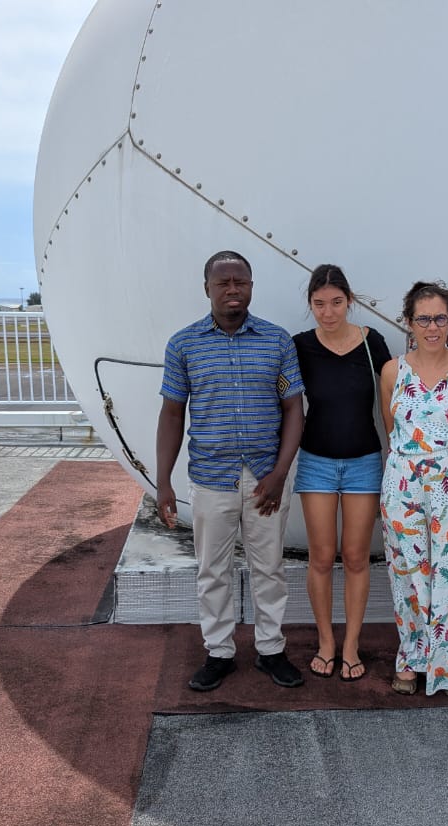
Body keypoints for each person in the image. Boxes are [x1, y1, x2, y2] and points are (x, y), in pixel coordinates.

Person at [155, 251, 306, 692]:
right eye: (223, 283)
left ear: (252, 286)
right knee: (212, 570)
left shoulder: (277, 342)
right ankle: (219, 652)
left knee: (269, 569)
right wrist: (163, 482)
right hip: (210, 477)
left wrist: (280, 473)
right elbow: (172, 413)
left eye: (241, 281)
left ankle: (271, 649)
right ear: (207, 289)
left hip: (265, 479)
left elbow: (293, 408)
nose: (233, 289)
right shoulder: (183, 345)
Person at [380, 280, 448, 696]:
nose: (432, 327)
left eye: (440, 318)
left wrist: (441, 461)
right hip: (402, 482)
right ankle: (412, 658)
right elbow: (393, 428)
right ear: (408, 322)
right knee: (408, 569)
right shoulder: (392, 371)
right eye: (423, 319)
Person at [293, 265, 392, 682]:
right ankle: (326, 642)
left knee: (354, 556)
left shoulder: (372, 342)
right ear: (310, 304)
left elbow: (395, 398)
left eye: (336, 303)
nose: (328, 312)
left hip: (363, 462)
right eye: (319, 304)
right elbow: (284, 402)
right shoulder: (300, 345)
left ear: (349, 301)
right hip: (315, 461)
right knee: (320, 557)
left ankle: (350, 644)